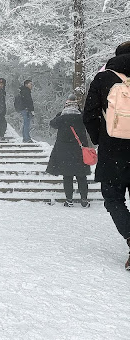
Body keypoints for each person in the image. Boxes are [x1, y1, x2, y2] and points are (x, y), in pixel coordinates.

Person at [83, 41, 130, 269]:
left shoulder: (103, 78)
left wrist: (101, 140)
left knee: (113, 199)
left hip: (113, 151)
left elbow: (89, 115)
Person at [46, 94, 91, 207]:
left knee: (67, 176)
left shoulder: (62, 117)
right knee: (81, 176)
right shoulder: (81, 116)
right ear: (76, 106)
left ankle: (69, 200)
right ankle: (84, 200)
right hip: (80, 151)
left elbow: (52, 123)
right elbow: (90, 123)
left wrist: (61, 113)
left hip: (64, 151)